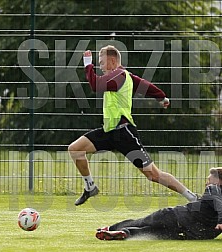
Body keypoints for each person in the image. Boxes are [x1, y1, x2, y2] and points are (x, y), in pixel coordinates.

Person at [68, 45, 197, 206]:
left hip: (124, 133)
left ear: (113, 61)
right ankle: (90, 187)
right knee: (75, 149)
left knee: (153, 175)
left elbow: (96, 85)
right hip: (109, 132)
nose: (99, 67)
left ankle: (192, 197)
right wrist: (161, 97)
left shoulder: (118, 75)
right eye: (98, 64)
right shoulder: (125, 75)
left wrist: (88, 64)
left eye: (101, 63)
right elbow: (144, 85)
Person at [96, 167, 222, 240]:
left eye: (208, 179)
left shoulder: (213, 189)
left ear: (217, 181)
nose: (207, 182)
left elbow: (218, 205)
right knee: (149, 232)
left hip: (173, 217)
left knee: (142, 222)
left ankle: (110, 228)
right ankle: (124, 233)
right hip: (184, 233)